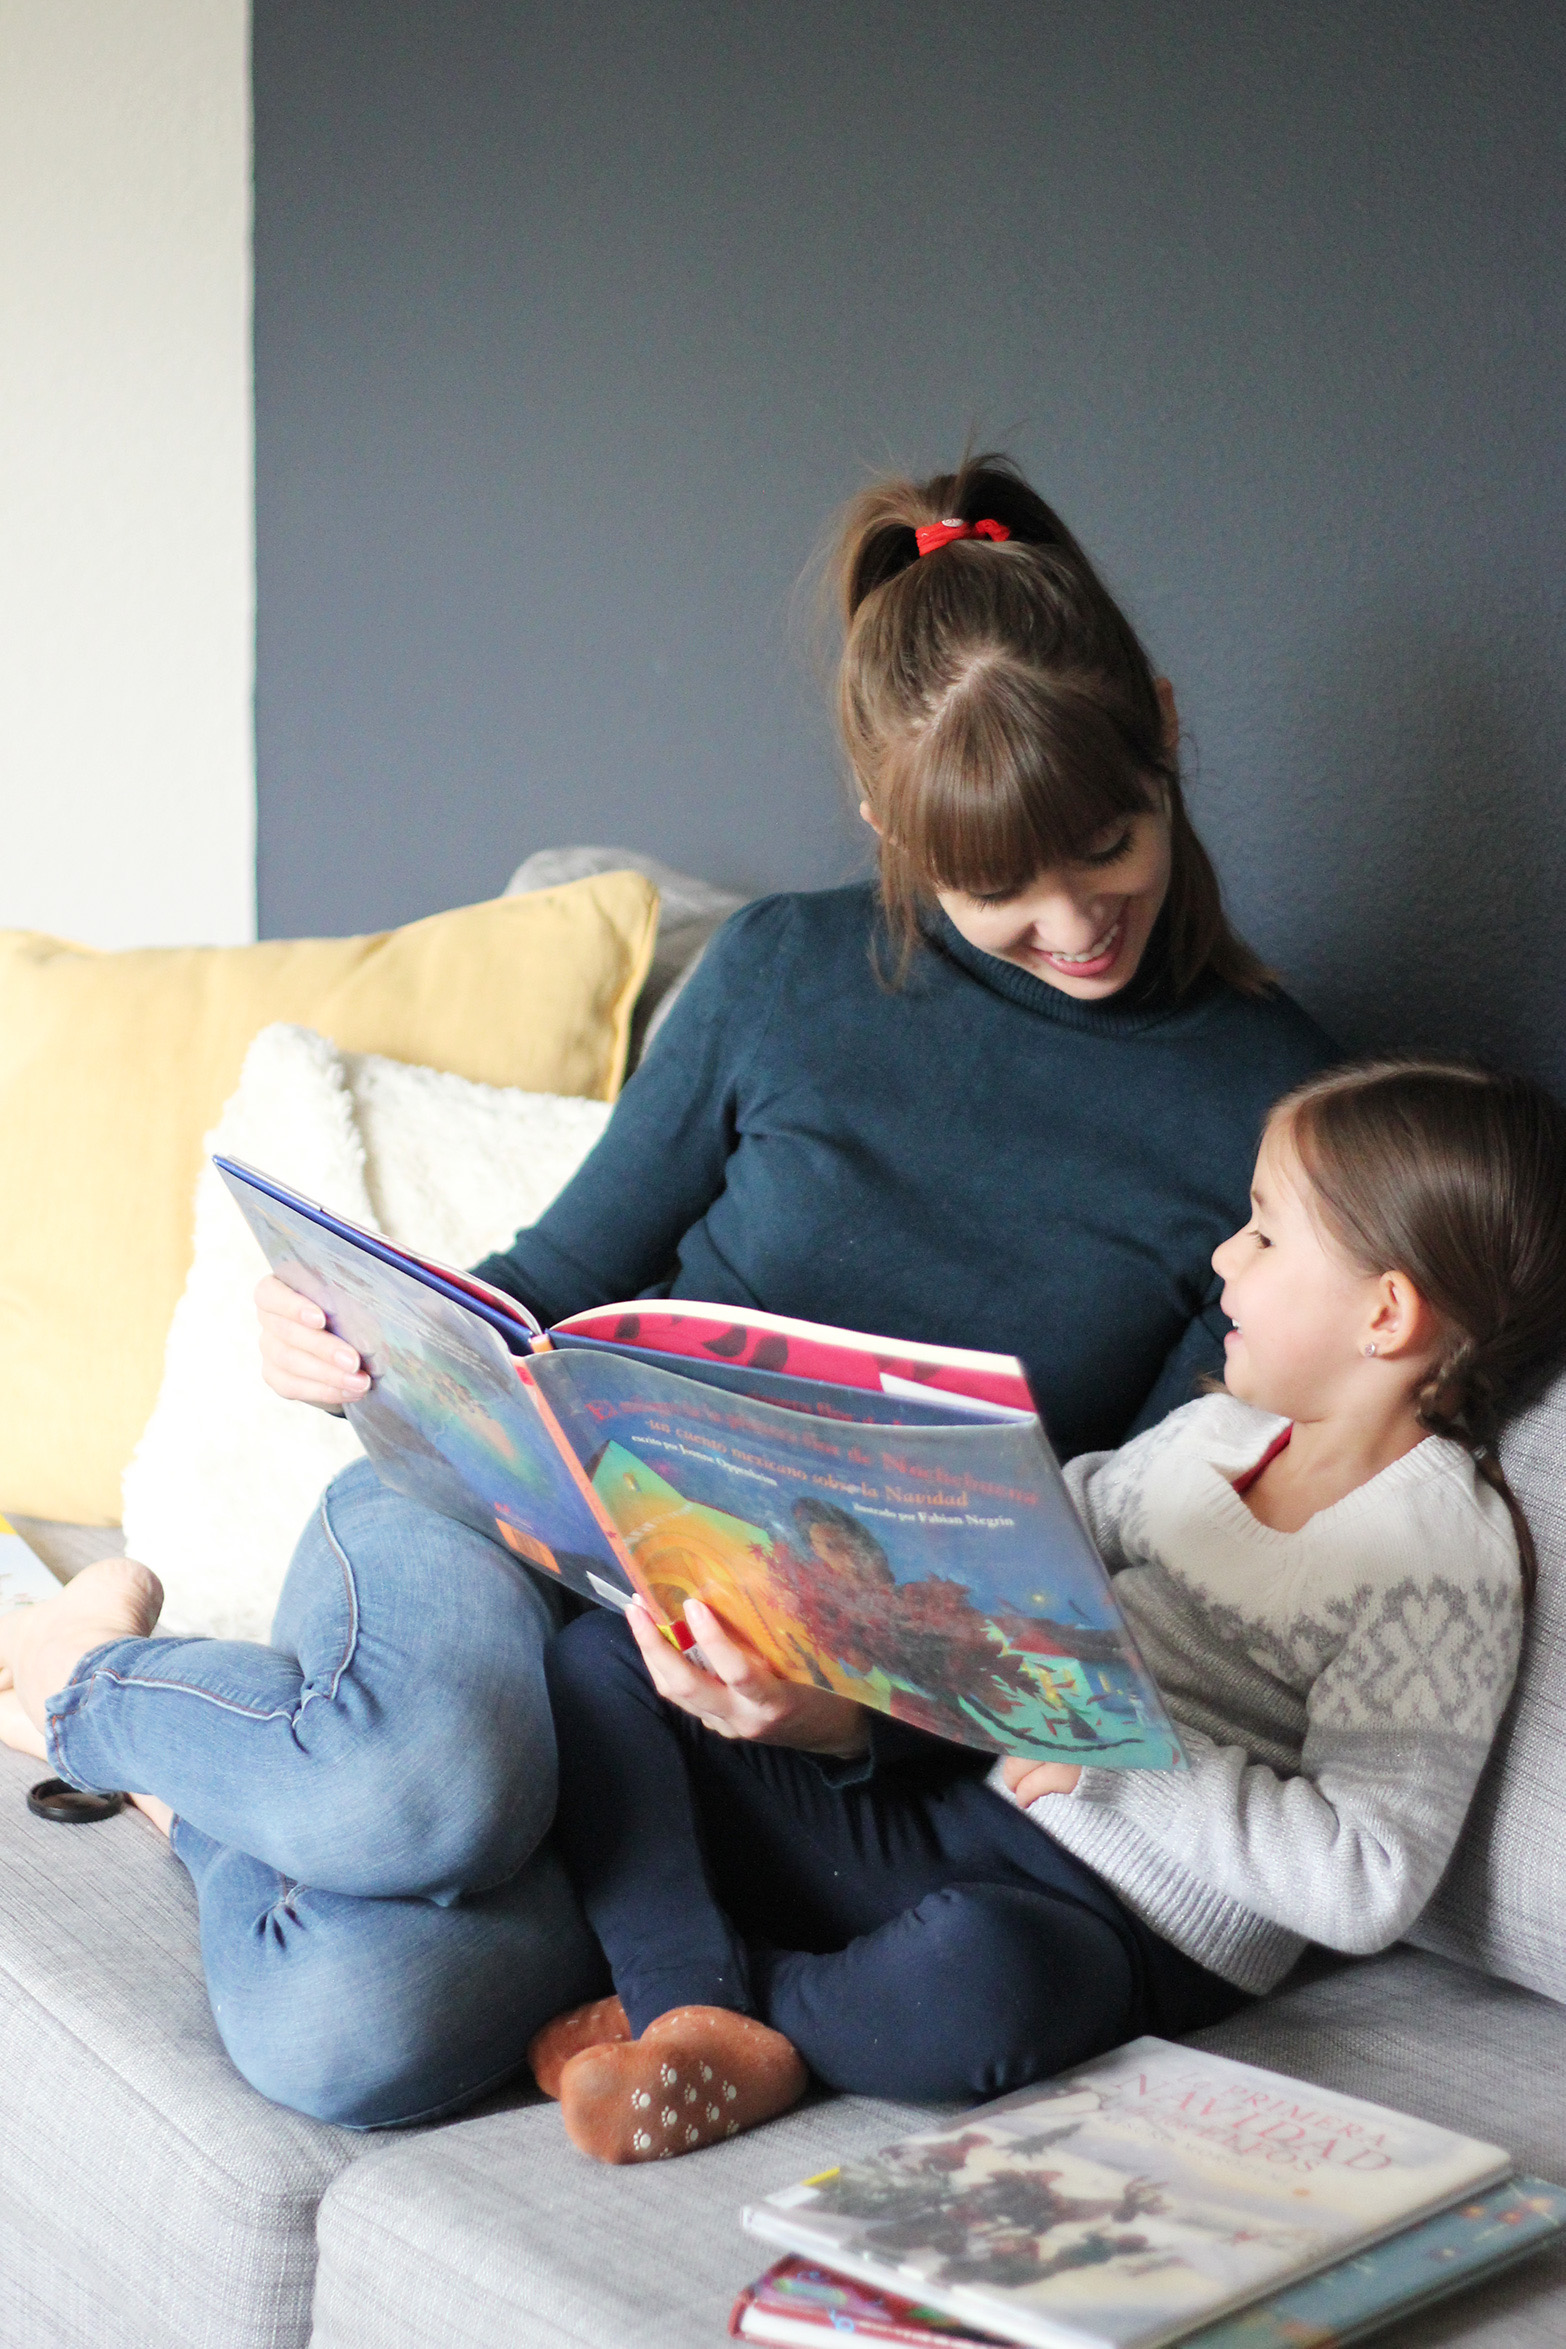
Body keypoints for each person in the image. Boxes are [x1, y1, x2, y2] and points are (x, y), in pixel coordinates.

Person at [0, 456, 1336, 2127]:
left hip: (712, 1714)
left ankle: (201, 1810)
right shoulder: (781, 974)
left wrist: (843, 1715)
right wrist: (355, 1336)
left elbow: (1129, 1543)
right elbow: (543, 1285)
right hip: (498, 1547)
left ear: (1161, 727)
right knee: (425, 1778)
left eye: (1109, 844)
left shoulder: (1277, 1118)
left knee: (357, 2025)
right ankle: (79, 1673)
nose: (1073, 919)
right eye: (1001, 888)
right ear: (886, 823)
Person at [532, 1059, 1566, 2163]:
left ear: (1387, 1311)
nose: (1225, 1254)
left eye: (1263, 1235)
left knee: (979, 1976)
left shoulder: (1437, 1563)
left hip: (1116, 1932)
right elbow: (1041, 1546)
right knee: (605, 1657)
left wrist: (1116, 1762)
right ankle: (680, 2004)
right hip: (951, 1814)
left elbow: (1365, 1880)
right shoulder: (1214, 1436)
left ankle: (738, 2013)